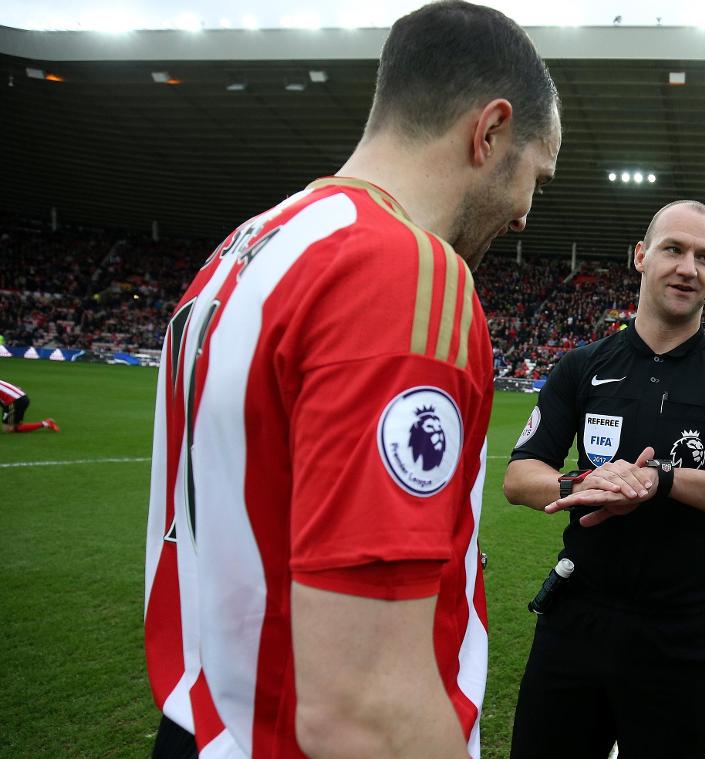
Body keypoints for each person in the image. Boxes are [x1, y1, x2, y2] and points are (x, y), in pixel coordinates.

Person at [142, 3, 560, 758]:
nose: (528, 213)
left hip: (200, 728)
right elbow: (365, 706)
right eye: (537, 172)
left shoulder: (240, 250)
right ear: (490, 131)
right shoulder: (402, 270)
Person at [502, 200, 705, 759]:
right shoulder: (582, 365)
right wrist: (582, 486)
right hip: (576, 620)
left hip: (680, 636)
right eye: (673, 249)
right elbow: (519, 475)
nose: (688, 267)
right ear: (641, 256)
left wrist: (662, 478)